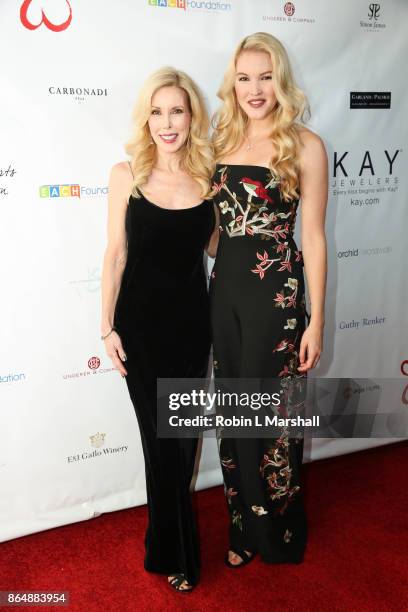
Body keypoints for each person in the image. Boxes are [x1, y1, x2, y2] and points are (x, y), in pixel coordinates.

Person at [210, 32, 328, 568]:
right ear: (231, 85)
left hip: (278, 301)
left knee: (274, 416)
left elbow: (316, 238)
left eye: (264, 76)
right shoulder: (215, 144)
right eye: (243, 78)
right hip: (225, 297)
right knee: (234, 415)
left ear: (279, 79)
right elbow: (213, 234)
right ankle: (241, 529)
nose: (254, 89)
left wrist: (317, 321)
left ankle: (277, 526)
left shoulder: (305, 145)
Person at [100, 67, 217, 592]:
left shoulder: (211, 177)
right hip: (141, 330)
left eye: (177, 111)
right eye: (157, 111)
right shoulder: (126, 174)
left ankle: (162, 545)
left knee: (183, 441)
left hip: (193, 329)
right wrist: (106, 328)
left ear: (192, 117)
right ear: (146, 117)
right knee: (158, 442)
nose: (167, 123)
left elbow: (216, 250)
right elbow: (116, 255)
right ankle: (177, 555)